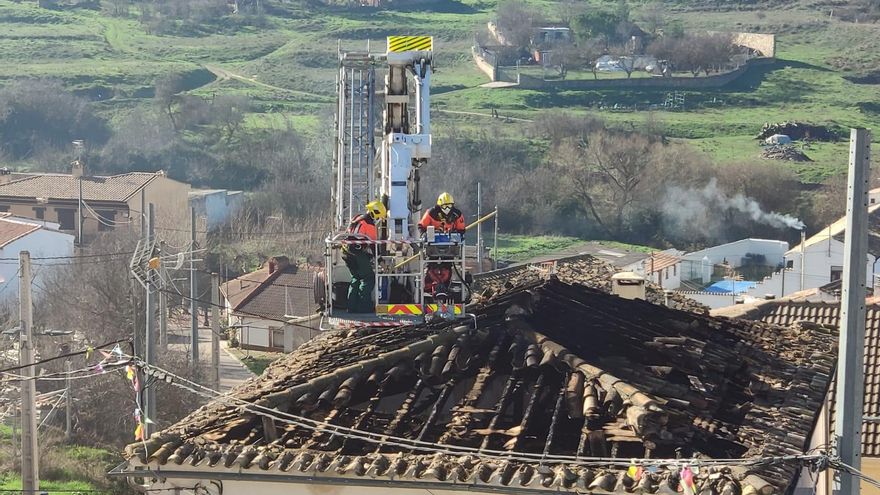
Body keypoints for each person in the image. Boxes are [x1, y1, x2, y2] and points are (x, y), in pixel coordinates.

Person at [343, 200, 387, 313]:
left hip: (346, 252)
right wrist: (380, 261)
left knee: (356, 278)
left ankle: (351, 306)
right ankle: (364, 307)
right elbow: (374, 246)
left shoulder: (357, 218)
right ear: (375, 213)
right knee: (368, 278)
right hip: (356, 253)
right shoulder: (369, 224)